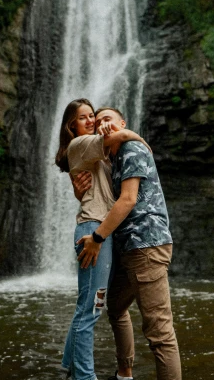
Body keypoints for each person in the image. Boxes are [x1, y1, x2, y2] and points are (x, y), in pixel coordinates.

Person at [75, 107, 182, 380]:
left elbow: (128, 200)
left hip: (146, 245)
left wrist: (97, 237)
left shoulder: (131, 149)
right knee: (116, 307)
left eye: (107, 119)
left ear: (122, 123)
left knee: (159, 332)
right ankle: (124, 374)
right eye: (97, 122)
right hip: (127, 249)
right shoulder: (111, 160)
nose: (102, 124)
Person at [55, 98, 150, 380]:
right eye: (83, 118)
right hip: (93, 231)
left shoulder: (96, 154)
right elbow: (119, 135)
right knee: (91, 310)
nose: (91, 121)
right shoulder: (79, 144)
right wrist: (141, 141)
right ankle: (85, 377)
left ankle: (68, 367)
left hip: (100, 229)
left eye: (92, 115)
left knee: (87, 305)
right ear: (72, 126)